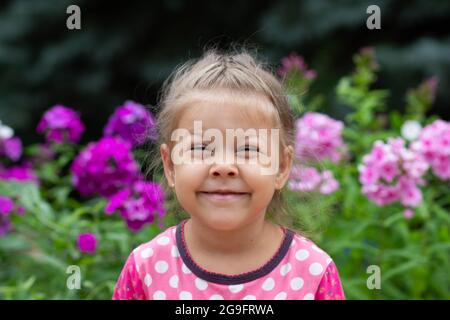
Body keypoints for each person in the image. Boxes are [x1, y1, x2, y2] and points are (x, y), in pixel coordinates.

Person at [113, 48, 345, 300]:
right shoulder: (145, 268)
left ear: (281, 167)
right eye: (201, 148)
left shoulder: (313, 272)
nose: (223, 166)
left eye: (247, 149)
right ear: (170, 166)